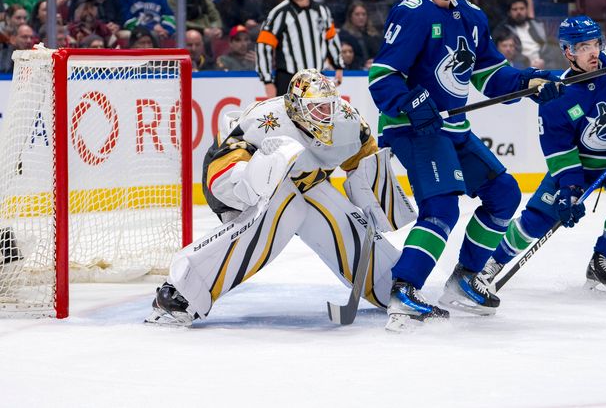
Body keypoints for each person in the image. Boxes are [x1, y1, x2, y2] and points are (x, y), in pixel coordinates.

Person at [367, 0, 563, 330]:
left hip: (452, 127)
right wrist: (410, 103)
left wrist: (530, 82)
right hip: (414, 128)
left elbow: (491, 76)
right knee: (442, 209)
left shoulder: (472, 16)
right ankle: (404, 288)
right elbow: (382, 76)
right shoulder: (413, 12)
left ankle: (463, 279)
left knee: (503, 194)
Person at [145, 69, 414, 326]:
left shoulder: (348, 121)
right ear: (297, 108)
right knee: (287, 209)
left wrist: (375, 203)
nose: (327, 115)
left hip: (304, 181)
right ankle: (181, 291)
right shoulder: (263, 121)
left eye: (329, 106)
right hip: (242, 184)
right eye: (317, 108)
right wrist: (257, 178)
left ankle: (391, 284)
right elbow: (220, 175)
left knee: (339, 216)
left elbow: (363, 158)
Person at [479, 16, 606, 299]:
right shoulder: (556, 97)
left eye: (596, 43)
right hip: (581, 164)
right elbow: (560, 153)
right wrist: (569, 189)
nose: (593, 52)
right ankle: (492, 264)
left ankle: (602, 261)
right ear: (567, 52)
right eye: (583, 47)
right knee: (538, 218)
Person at [256, 0, 343, 98]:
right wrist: (267, 80)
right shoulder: (280, 13)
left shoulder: (321, 10)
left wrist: (338, 66)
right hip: (289, 79)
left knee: (319, 117)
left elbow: (331, 38)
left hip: (317, 78)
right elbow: (263, 45)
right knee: (288, 118)